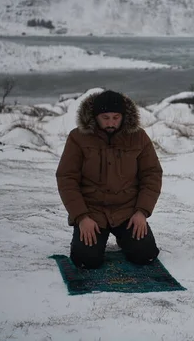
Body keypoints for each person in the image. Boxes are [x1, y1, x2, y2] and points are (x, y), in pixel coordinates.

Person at [56, 90, 162, 269]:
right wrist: (81, 217)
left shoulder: (139, 137)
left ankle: (125, 238)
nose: (111, 123)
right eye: (105, 117)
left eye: (116, 117)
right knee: (86, 261)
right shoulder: (77, 138)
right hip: (92, 212)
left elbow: (152, 174)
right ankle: (91, 241)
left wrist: (141, 212)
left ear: (123, 116)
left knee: (145, 256)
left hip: (128, 211)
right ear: (95, 117)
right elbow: (67, 178)